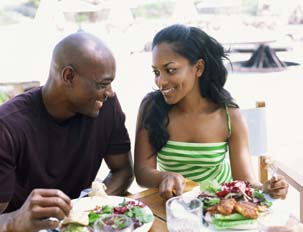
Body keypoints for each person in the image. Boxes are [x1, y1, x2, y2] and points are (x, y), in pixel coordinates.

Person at [134, 24, 288, 200]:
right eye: (156, 72)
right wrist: (164, 176)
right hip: (173, 206)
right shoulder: (151, 107)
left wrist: (266, 189)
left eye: (170, 70)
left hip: (220, 209)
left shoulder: (229, 116)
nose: (160, 81)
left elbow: (244, 181)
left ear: (198, 68)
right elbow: (142, 172)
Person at [0, 32, 133, 231]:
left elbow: (122, 171)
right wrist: (16, 220)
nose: (110, 92)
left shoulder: (106, 106)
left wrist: (88, 207)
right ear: (68, 76)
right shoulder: (8, 126)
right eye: (103, 84)